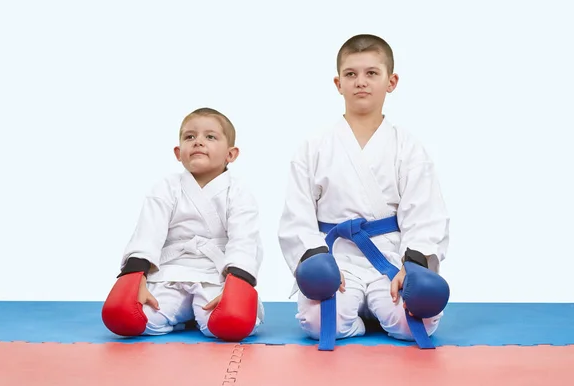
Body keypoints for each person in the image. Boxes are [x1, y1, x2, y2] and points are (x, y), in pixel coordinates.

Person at [278, 34, 450, 350]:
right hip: (338, 259)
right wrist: (317, 259)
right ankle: (359, 318)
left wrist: (412, 264)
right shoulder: (314, 146)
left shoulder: (408, 147)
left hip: (390, 257)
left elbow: (426, 212)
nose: (361, 82)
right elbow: (297, 214)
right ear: (338, 83)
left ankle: (378, 310)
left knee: (416, 324)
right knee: (317, 324)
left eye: (372, 73)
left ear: (391, 81)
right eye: (351, 74)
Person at [102, 107, 264, 342]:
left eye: (210, 137)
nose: (198, 142)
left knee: (229, 323)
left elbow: (244, 240)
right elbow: (148, 233)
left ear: (231, 154)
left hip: (216, 275)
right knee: (135, 320)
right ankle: (182, 317)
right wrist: (136, 277)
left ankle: (195, 317)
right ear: (179, 153)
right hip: (170, 273)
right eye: (190, 137)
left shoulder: (238, 193)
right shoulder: (166, 188)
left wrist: (238, 282)